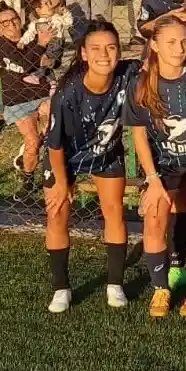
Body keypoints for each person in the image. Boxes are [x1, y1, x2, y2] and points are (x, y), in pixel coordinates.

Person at [122, 16, 186, 319]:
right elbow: (138, 134)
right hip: (162, 164)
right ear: (154, 45)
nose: (179, 48)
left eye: (184, 42)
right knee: (154, 215)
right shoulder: (140, 82)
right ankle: (160, 288)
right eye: (170, 42)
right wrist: (151, 179)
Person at [42, 19, 140, 312]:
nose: (104, 54)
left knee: (114, 212)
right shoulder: (67, 93)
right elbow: (55, 144)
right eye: (95, 48)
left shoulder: (128, 73)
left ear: (119, 52)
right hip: (65, 157)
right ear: (83, 53)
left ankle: (115, 284)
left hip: (106, 153)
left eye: (111, 47)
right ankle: (61, 288)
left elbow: (161, 60)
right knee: (57, 212)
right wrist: (62, 183)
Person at [0, 3, 53, 194]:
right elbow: (24, 64)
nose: (10, 24)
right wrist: (41, 46)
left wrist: (47, 55)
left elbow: (51, 60)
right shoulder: (1, 45)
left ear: (21, 19)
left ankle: (52, 172)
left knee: (55, 122)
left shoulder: (32, 36)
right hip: (18, 101)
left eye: (14, 19)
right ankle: (28, 180)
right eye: (4, 22)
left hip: (42, 95)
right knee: (33, 141)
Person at [18, 0, 72, 85]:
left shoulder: (56, 18)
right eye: (46, 4)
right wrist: (22, 41)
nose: (50, 5)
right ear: (38, 10)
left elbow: (68, 22)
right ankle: (53, 82)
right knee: (45, 62)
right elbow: (29, 33)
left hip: (56, 42)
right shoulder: (35, 23)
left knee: (45, 59)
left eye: (50, 2)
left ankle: (36, 76)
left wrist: (66, 13)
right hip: (44, 45)